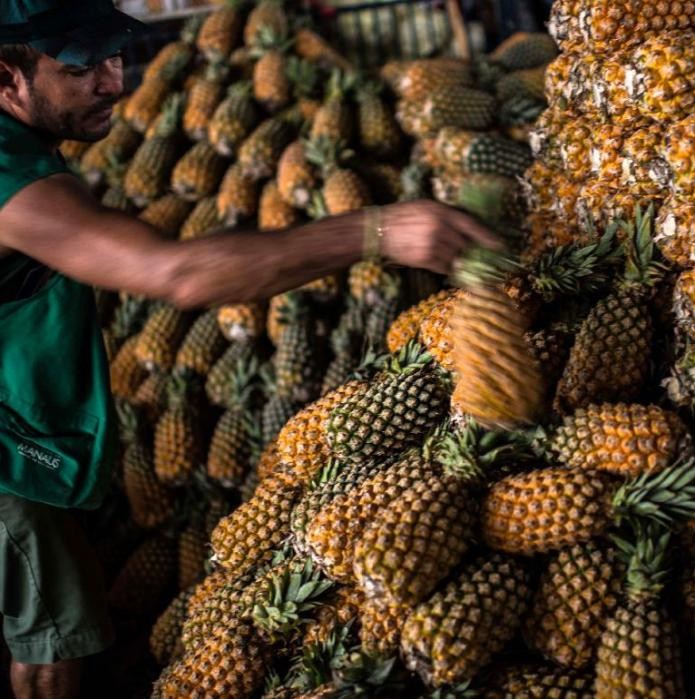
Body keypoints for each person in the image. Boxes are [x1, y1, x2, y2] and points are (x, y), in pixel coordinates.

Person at [0, 2, 497, 697]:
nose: (114, 83)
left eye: (114, 58)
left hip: (24, 419)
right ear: (8, 76)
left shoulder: (24, 155)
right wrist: (379, 231)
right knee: (52, 640)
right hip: (7, 458)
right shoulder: (12, 181)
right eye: (81, 68)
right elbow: (174, 273)